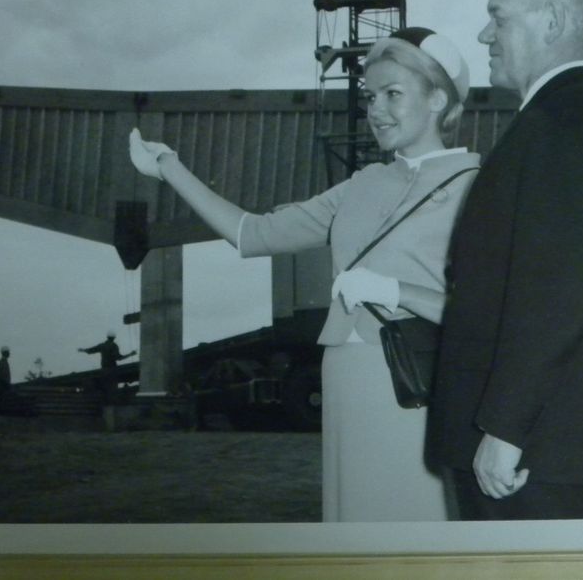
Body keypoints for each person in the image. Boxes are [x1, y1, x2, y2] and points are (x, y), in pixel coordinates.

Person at [130, 27, 479, 522]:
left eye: (393, 94)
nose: (375, 109)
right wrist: (169, 168)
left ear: (438, 99)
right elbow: (254, 234)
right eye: (370, 96)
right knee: (353, 526)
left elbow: (484, 311)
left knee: (414, 529)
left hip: (419, 383)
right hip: (345, 374)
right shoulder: (362, 185)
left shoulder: (478, 186)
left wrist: (394, 290)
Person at [427, 0, 583, 521]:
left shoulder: (563, 123)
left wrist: (505, 427)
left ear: (550, 23)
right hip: (550, 448)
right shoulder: (579, 117)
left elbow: (559, 290)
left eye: (498, 17)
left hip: (532, 455)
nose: (483, 35)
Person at [79, 333, 135, 402]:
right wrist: (130, 354)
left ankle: (105, 403)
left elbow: (91, 350)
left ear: (107, 337)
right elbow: (119, 358)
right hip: (112, 370)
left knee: (105, 388)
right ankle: (112, 403)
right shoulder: (114, 346)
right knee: (112, 389)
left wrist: (83, 350)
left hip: (104, 370)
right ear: (114, 338)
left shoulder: (102, 345)